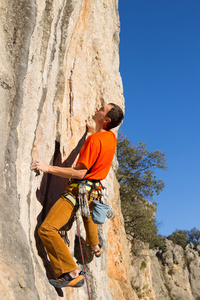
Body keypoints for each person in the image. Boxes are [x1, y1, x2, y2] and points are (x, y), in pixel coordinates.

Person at [30, 103, 124, 288]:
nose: (97, 108)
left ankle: (71, 273)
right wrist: (92, 131)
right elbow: (97, 147)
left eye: (102, 109)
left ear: (106, 120)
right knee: (87, 215)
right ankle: (95, 246)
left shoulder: (95, 140)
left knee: (47, 229)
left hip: (77, 190)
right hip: (93, 191)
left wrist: (48, 168)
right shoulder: (110, 138)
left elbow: (80, 173)